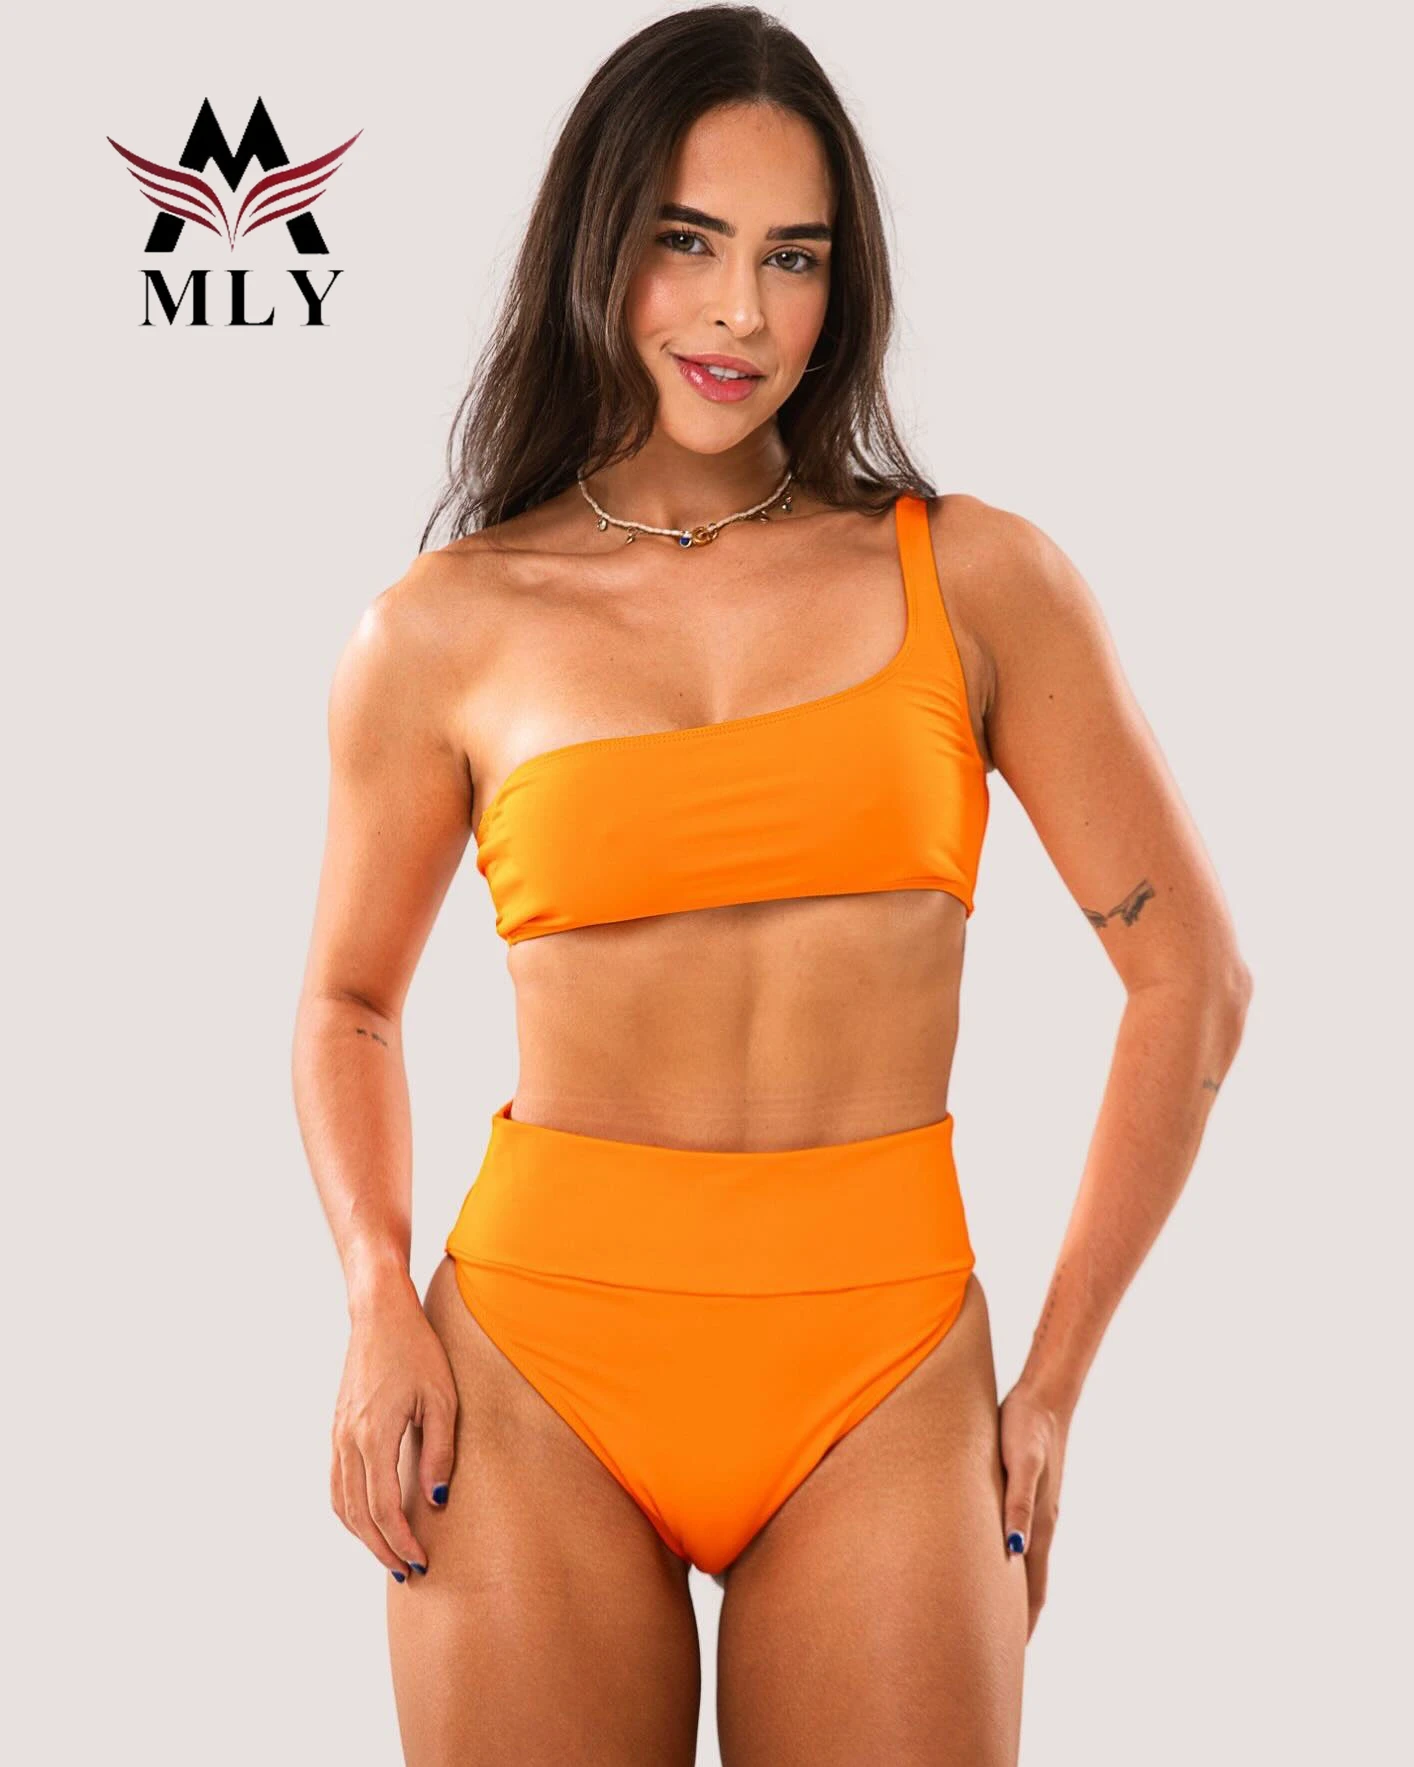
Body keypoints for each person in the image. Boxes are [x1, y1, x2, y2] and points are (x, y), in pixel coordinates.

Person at [291, 7, 1252, 1762]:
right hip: (532, 1359)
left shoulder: (978, 580)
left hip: (883, 1362)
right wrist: (371, 1297)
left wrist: (1053, 1378)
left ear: (840, 285)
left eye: (791, 258)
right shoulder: (443, 628)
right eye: (687, 241)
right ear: (597, 246)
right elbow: (348, 999)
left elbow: (1190, 980)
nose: (739, 312)